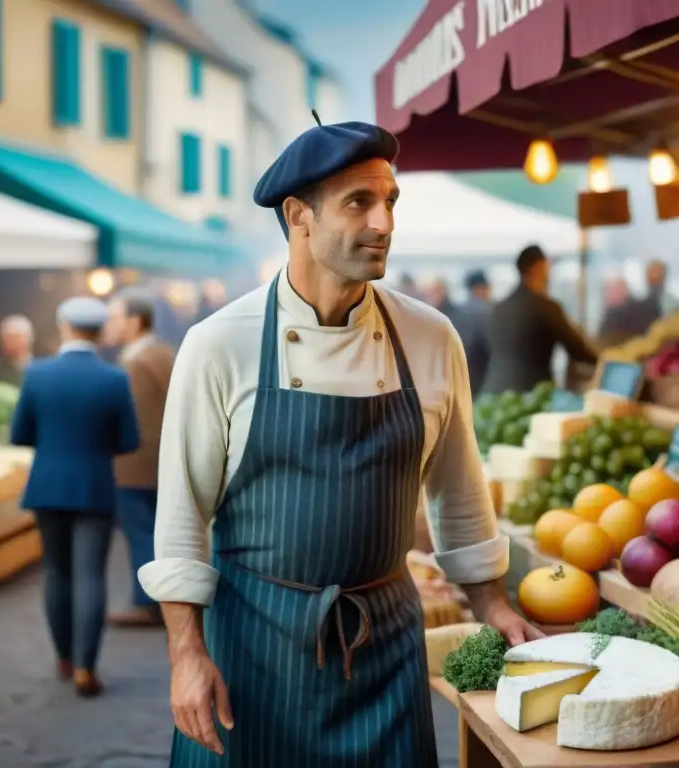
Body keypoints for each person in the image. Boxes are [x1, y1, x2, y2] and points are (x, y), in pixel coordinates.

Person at [139, 115, 540, 767]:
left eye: (390, 201)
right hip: (251, 653)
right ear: (298, 215)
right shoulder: (219, 344)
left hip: (385, 647)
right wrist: (186, 655)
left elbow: (459, 490)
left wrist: (491, 602)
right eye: (359, 202)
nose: (383, 223)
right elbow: (183, 516)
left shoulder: (431, 337)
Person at [10, 297, 140, 698]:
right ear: (100, 333)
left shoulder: (36, 374)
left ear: (64, 327)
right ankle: (86, 667)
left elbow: (20, 435)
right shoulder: (114, 379)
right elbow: (128, 440)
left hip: (47, 486)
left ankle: (64, 658)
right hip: (95, 487)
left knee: (57, 572)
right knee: (90, 576)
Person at [104, 289, 175, 628]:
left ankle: (147, 602)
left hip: (137, 467)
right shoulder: (161, 352)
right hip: (159, 465)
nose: (111, 324)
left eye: (116, 317)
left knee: (141, 534)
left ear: (135, 321)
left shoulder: (137, 361)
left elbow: (130, 419)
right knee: (158, 534)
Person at [482, 245, 598, 394]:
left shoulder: (498, 308)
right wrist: (605, 361)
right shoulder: (546, 307)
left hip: (493, 393)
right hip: (532, 396)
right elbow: (577, 349)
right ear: (539, 267)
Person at [459, 269, 492, 397]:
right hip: (484, 376)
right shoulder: (488, 311)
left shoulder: (459, 310)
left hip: (463, 376)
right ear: (481, 288)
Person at [0, 314, 34, 386]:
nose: (10, 343)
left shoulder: (44, 369)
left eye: (15, 337)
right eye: (5, 338)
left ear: (29, 339)